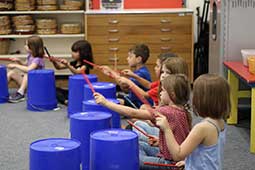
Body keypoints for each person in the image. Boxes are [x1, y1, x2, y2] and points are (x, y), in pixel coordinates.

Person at [94, 74, 192, 169]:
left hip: (169, 164)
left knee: (134, 157)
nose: (160, 93)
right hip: (180, 158)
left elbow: (133, 113)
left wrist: (106, 103)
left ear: (172, 95)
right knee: (139, 145)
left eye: (163, 90)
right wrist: (160, 142)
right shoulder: (184, 110)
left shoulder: (167, 111)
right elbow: (180, 137)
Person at [156, 74, 230, 170]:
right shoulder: (220, 122)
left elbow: (177, 155)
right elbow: (206, 154)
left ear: (202, 99)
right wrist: (188, 161)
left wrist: (167, 129)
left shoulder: (202, 128)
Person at [102, 44, 152, 108]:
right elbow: (125, 89)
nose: (127, 59)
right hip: (134, 100)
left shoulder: (142, 73)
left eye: (130, 57)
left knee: (110, 103)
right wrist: (112, 74)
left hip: (140, 104)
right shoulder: (138, 71)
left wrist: (112, 72)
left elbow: (124, 85)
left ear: (138, 59)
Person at [50, 40, 94, 105]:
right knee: (55, 90)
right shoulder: (74, 63)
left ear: (83, 53)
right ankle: (66, 101)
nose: (72, 53)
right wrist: (54, 61)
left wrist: (68, 65)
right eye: (72, 51)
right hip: (74, 88)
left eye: (75, 52)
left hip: (82, 90)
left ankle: (68, 100)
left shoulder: (85, 65)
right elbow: (58, 67)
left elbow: (78, 73)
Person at [7, 35, 45, 103]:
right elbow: (25, 65)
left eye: (27, 45)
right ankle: (2, 89)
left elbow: (29, 69)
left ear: (33, 47)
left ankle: (21, 93)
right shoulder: (30, 55)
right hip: (28, 84)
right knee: (11, 73)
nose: (25, 46)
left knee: (28, 73)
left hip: (36, 85)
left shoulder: (38, 59)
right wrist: (18, 61)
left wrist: (16, 65)